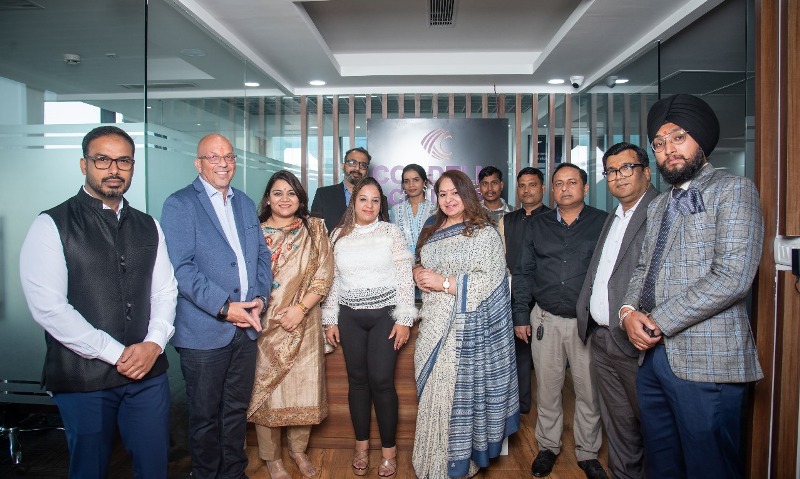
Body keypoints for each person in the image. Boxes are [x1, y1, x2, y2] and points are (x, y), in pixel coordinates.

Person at [19, 126, 178, 479]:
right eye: (103, 160)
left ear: (132, 166)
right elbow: (49, 308)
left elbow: (165, 291)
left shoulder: (149, 225)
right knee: (89, 469)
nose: (114, 170)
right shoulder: (51, 224)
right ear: (84, 164)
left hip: (148, 371)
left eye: (124, 161)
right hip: (83, 377)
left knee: (155, 467)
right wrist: (116, 353)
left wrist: (154, 344)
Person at [619, 94, 764, 479]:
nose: (668, 149)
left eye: (678, 138)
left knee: (708, 466)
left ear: (701, 138)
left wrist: (658, 320)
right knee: (661, 463)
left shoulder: (733, 190)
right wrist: (628, 312)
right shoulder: (660, 205)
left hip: (706, 360)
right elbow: (644, 268)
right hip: (652, 359)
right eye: (659, 143)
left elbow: (732, 277)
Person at [161, 133, 272, 479]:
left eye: (229, 156)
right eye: (214, 157)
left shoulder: (244, 202)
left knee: (236, 411)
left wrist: (260, 299)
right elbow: (181, 268)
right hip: (204, 331)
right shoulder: (180, 204)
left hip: (246, 327)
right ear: (199, 164)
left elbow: (261, 256)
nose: (223, 163)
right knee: (205, 416)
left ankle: (234, 473)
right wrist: (225, 307)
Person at [412, 170, 519, 479]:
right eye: (443, 194)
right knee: (431, 394)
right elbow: (420, 262)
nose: (449, 200)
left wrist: (444, 283)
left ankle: (456, 464)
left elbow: (493, 282)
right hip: (432, 323)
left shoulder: (484, 233)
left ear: (467, 194)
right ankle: (429, 461)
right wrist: (417, 272)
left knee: (454, 395)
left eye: (455, 193)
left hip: (465, 329)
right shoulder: (431, 228)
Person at [512, 163, 608, 479]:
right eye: (559, 183)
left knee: (588, 391)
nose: (565, 188)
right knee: (549, 389)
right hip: (546, 319)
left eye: (572, 182)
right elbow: (524, 272)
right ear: (551, 190)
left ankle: (588, 452)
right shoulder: (537, 225)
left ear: (585, 187)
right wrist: (521, 315)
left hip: (586, 322)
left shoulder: (602, 223)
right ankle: (548, 447)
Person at [322, 176, 416, 478]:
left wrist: (404, 319)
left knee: (382, 381)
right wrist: (330, 318)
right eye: (363, 199)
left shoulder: (391, 232)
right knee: (357, 381)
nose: (369, 205)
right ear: (354, 202)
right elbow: (333, 280)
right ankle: (361, 446)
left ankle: (389, 451)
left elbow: (404, 277)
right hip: (349, 317)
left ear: (381, 204)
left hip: (385, 316)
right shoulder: (338, 235)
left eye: (375, 200)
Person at [575, 143, 658, 479]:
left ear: (646, 172)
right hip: (602, 336)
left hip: (637, 341)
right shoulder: (615, 215)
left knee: (652, 426)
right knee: (619, 425)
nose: (618, 176)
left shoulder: (660, 211)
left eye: (627, 168)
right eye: (611, 170)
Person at [247, 170, 334, 479]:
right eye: (278, 193)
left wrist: (300, 309)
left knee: (303, 388)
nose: (285, 199)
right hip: (263, 322)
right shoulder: (253, 232)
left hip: (304, 320)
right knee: (267, 391)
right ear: (267, 199)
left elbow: (324, 274)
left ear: (300, 199)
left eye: (291, 193)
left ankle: (298, 451)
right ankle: (272, 458)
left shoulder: (314, 229)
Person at [497, 166, 549, 415]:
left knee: (545, 357)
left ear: (543, 188)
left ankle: (545, 409)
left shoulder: (553, 218)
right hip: (513, 294)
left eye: (532, 185)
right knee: (518, 353)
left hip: (544, 296)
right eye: (522, 186)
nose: (527, 190)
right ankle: (520, 405)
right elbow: (500, 258)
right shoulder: (507, 220)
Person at [311, 147, 375, 233]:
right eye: (352, 163)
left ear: (367, 170)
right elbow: (315, 231)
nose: (357, 168)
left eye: (363, 165)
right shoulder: (323, 195)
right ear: (343, 166)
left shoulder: (378, 199)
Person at [389, 163, 437, 254]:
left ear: (424, 182)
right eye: (406, 181)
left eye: (416, 180)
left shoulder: (435, 210)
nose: (411, 185)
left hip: (430, 261)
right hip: (402, 261)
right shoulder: (395, 211)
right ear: (403, 185)